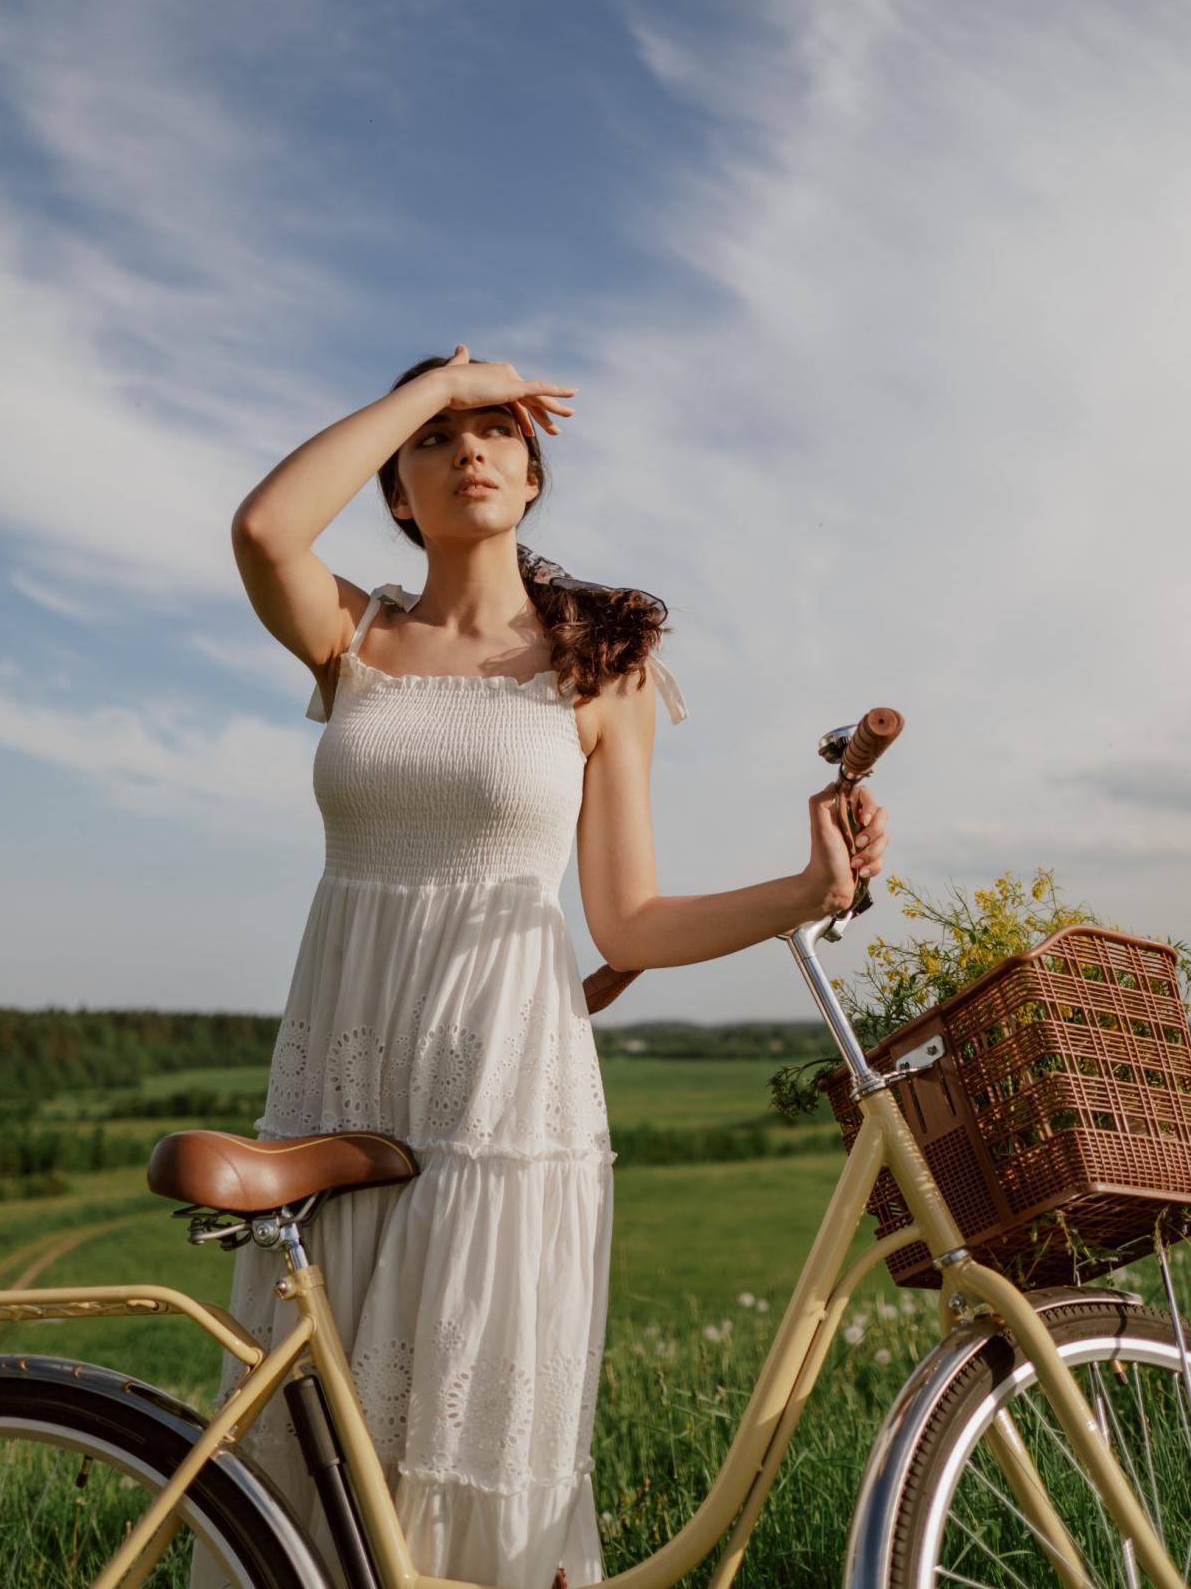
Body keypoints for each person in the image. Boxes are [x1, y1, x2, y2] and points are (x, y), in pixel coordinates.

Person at [188, 344, 889, 1589]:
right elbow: (262, 526)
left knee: (471, 1438)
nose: (471, 448)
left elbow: (628, 923)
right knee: (317, 1446)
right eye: (441, 438)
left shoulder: (599, 667)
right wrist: (431, 386)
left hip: (505, 1085)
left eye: (500, 429)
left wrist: (806, 889)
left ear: (532, 471)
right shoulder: (356, 636)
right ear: (398, 485)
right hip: (341, 1059)